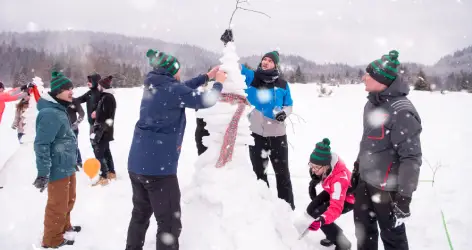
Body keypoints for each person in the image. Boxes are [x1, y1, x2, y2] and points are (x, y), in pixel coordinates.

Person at [126, 49, 226, 250]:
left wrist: (206, 76)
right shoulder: (172, 90)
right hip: (158, 170)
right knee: (169, 223)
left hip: (137, 165)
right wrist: (219, 83)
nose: (180, 74)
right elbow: (204, 100)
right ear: (173, 72)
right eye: (178, 70)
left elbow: (181, 89)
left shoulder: (155, 85)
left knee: (140, 214)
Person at [353, 50, 422, 250]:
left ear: (381, 81)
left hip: (388, 190)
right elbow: (367, 141)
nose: (363, 78)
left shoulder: (402, 111)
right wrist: (358, 168)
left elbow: (411, 157)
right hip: (365, 183)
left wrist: (405, 196)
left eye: (368, 75)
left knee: (393, 241)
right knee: (364, 234)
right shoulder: (371, 104)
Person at [221, 29, 295, 210]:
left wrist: (283, 113)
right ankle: (264, 208)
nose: (266, 62)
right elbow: (235, 67)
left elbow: (289, 105)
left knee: (282, 174)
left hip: (277, 135)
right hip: (256, 134)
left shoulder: (283, 84)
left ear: (275, 65)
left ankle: (286, 208)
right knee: (258, 173)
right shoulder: (252, 77)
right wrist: (228, 45)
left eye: (270, 60)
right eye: (264, 59)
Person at [33, 71, 80, 248]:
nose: (72, 92)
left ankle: (64, 227)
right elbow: (41, 145)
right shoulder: (49, 113)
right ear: (58, 91)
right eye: (68, 89)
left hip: (67, 165)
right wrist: (43, 173)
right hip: (57, 168)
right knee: (57, 205)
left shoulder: (59, 110)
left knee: (69, 200)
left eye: (72, 89)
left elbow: (64, 139)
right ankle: (52, 239)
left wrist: (72, 161)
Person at [303, 138, 354, 250]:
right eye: (311, 166)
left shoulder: (339, 180)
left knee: (321, 214)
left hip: (348, 198)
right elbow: (322, 173)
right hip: (332, 190)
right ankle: (332, 235)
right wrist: (315, 180)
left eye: (316, 168)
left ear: (326, 166)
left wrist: (322, 219)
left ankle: (343, 244)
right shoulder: (326, 165)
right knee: (311, 209)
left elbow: (336, 208)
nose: (313, 170)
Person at [91, 75, 117, 186]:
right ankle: (111, 172)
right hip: (104, 129)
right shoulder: (105, 97)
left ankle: (104, 176)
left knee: (99, 153)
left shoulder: (108, 98)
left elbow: (109, 117)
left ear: (103, 86)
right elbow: (105, 114)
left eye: (99, 85)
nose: (97, 87)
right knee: (106, 151)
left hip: (104, 130)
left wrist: (100, 131)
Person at [67, 98, 85, 169]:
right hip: (62, 128)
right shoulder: (59, 101)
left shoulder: (74, 101)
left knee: (74, 145)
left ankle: (77, 162)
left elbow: (82, 113)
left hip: (73, 129)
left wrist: (76, 123)